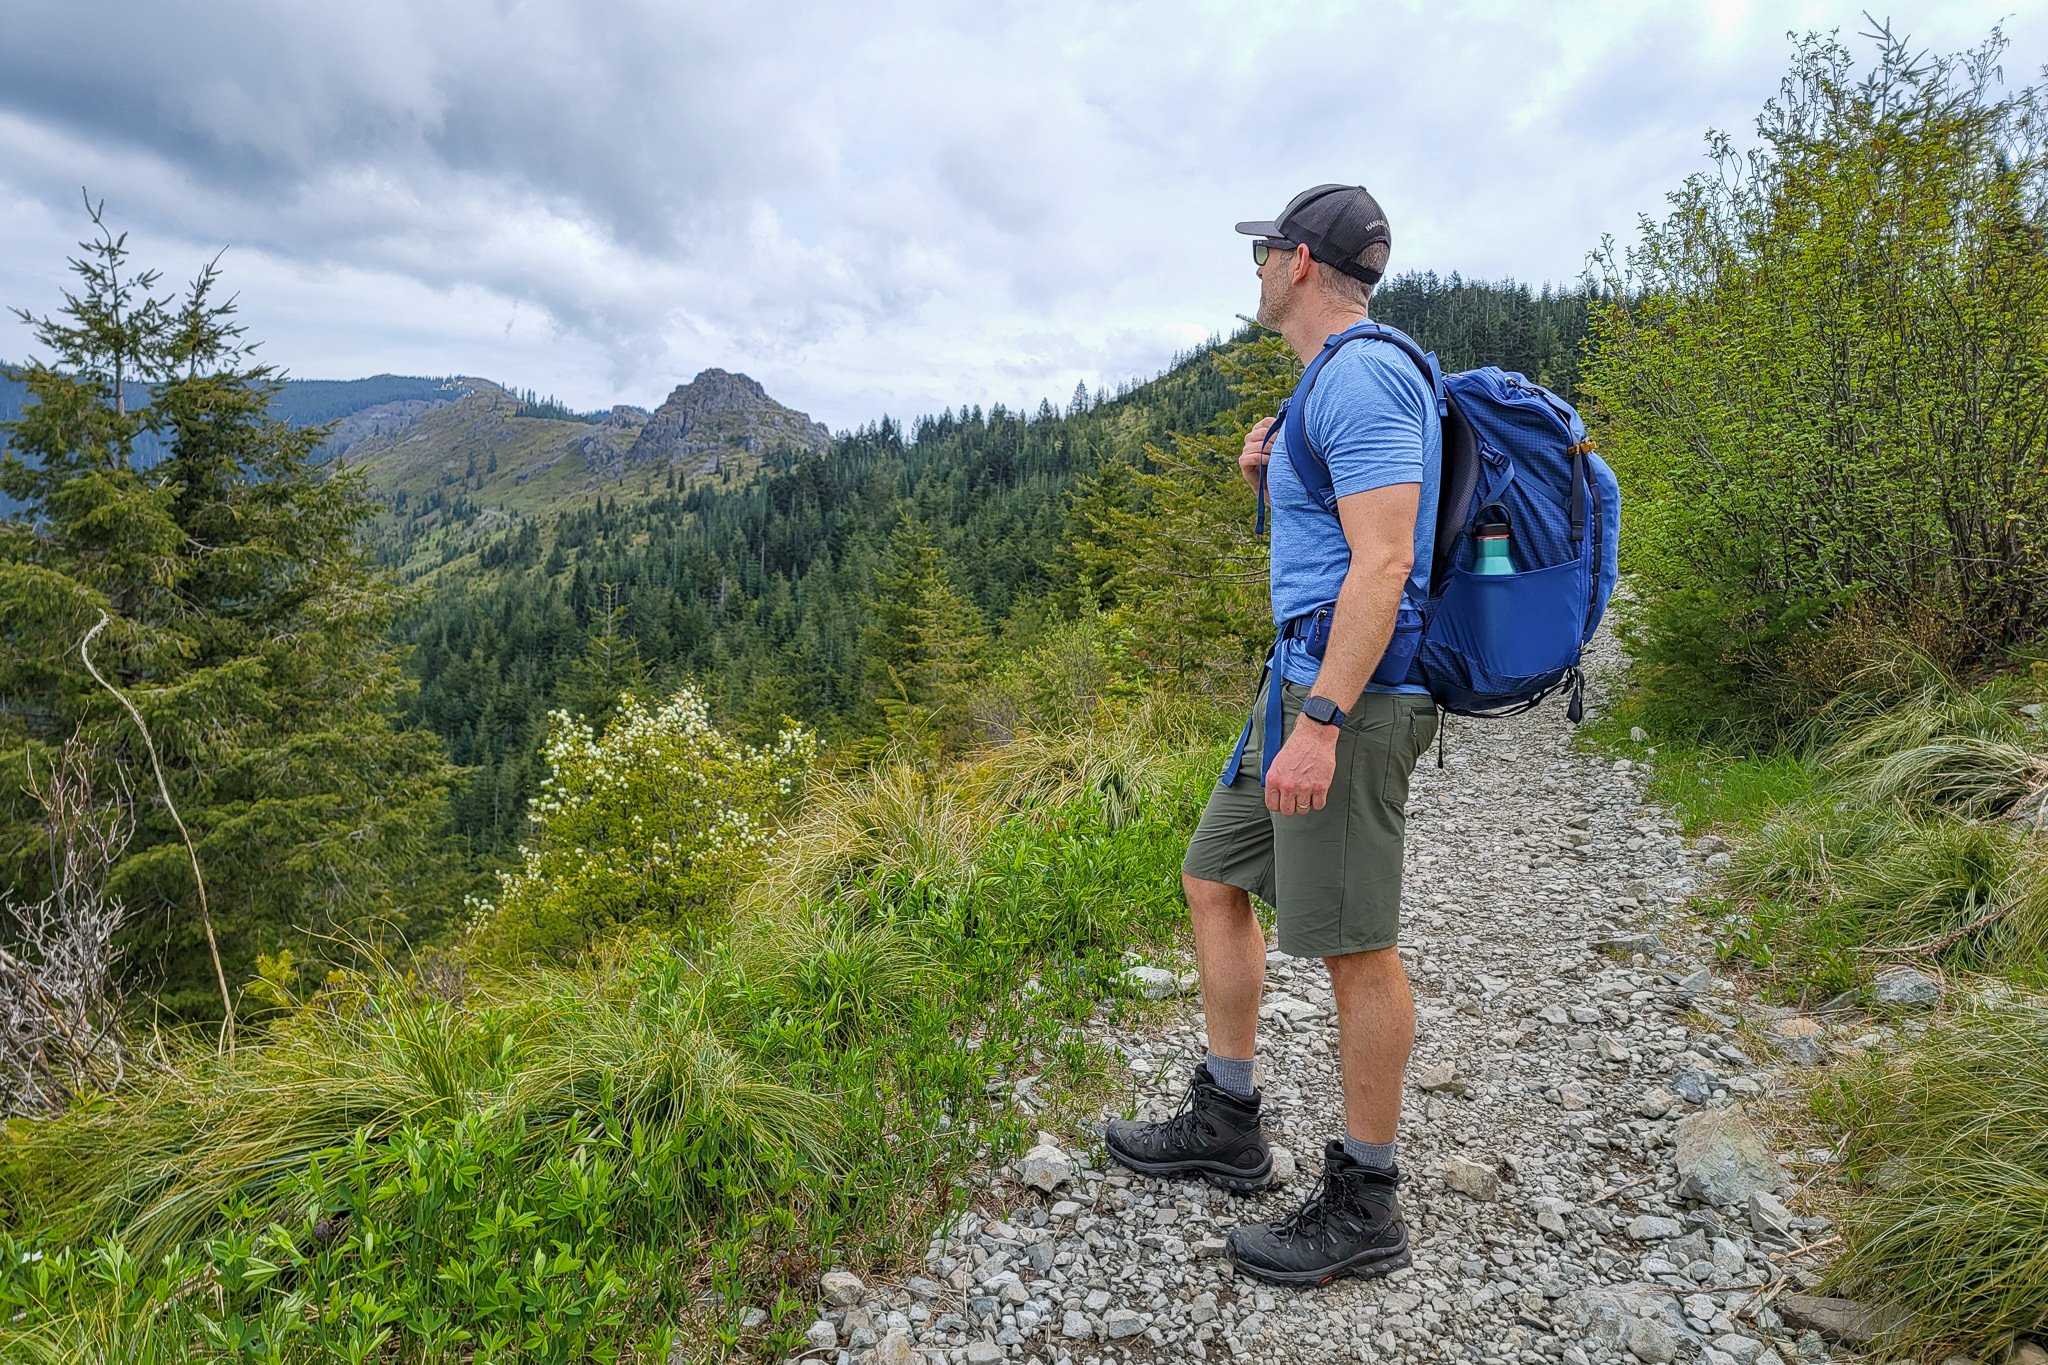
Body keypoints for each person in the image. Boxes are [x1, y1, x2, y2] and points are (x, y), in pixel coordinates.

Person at [1103, 184, 1442, 1287]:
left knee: (1353, 946)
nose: (1252, 269)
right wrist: (1274, 473)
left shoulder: (1366, 377)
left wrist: (1324, 723)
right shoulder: (1323, 388)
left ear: (1298, 262)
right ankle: (1228, 1120)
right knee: (1213, 878)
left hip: (1346, 699)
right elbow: (1339, 537)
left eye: (1261, 251)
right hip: (1290, 684)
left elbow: (1386, 563)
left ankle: (1365, 1202)